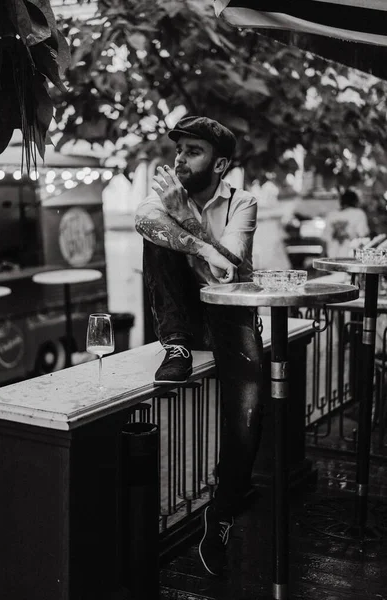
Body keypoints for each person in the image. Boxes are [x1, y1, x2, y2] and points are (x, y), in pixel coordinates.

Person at [135, 116, 263, 577]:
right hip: (185, 322)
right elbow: (144, 220)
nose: (180, 159)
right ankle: (176, 347)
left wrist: (193, 226)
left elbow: (229, 272)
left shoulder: (242, 202)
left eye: (193, 151)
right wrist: (197, 243)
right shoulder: (164, 194)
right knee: (156, 236)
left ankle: (222, 512)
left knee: (249, 408)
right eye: (179, 149)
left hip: (228, 317)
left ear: (220, 162)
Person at [324, 188, 370, 258]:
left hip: (332, 256)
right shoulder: (358, 213)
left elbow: (325, 238)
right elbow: (363, 235)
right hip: (351, 257)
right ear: (355, 201)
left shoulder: (331, 214)